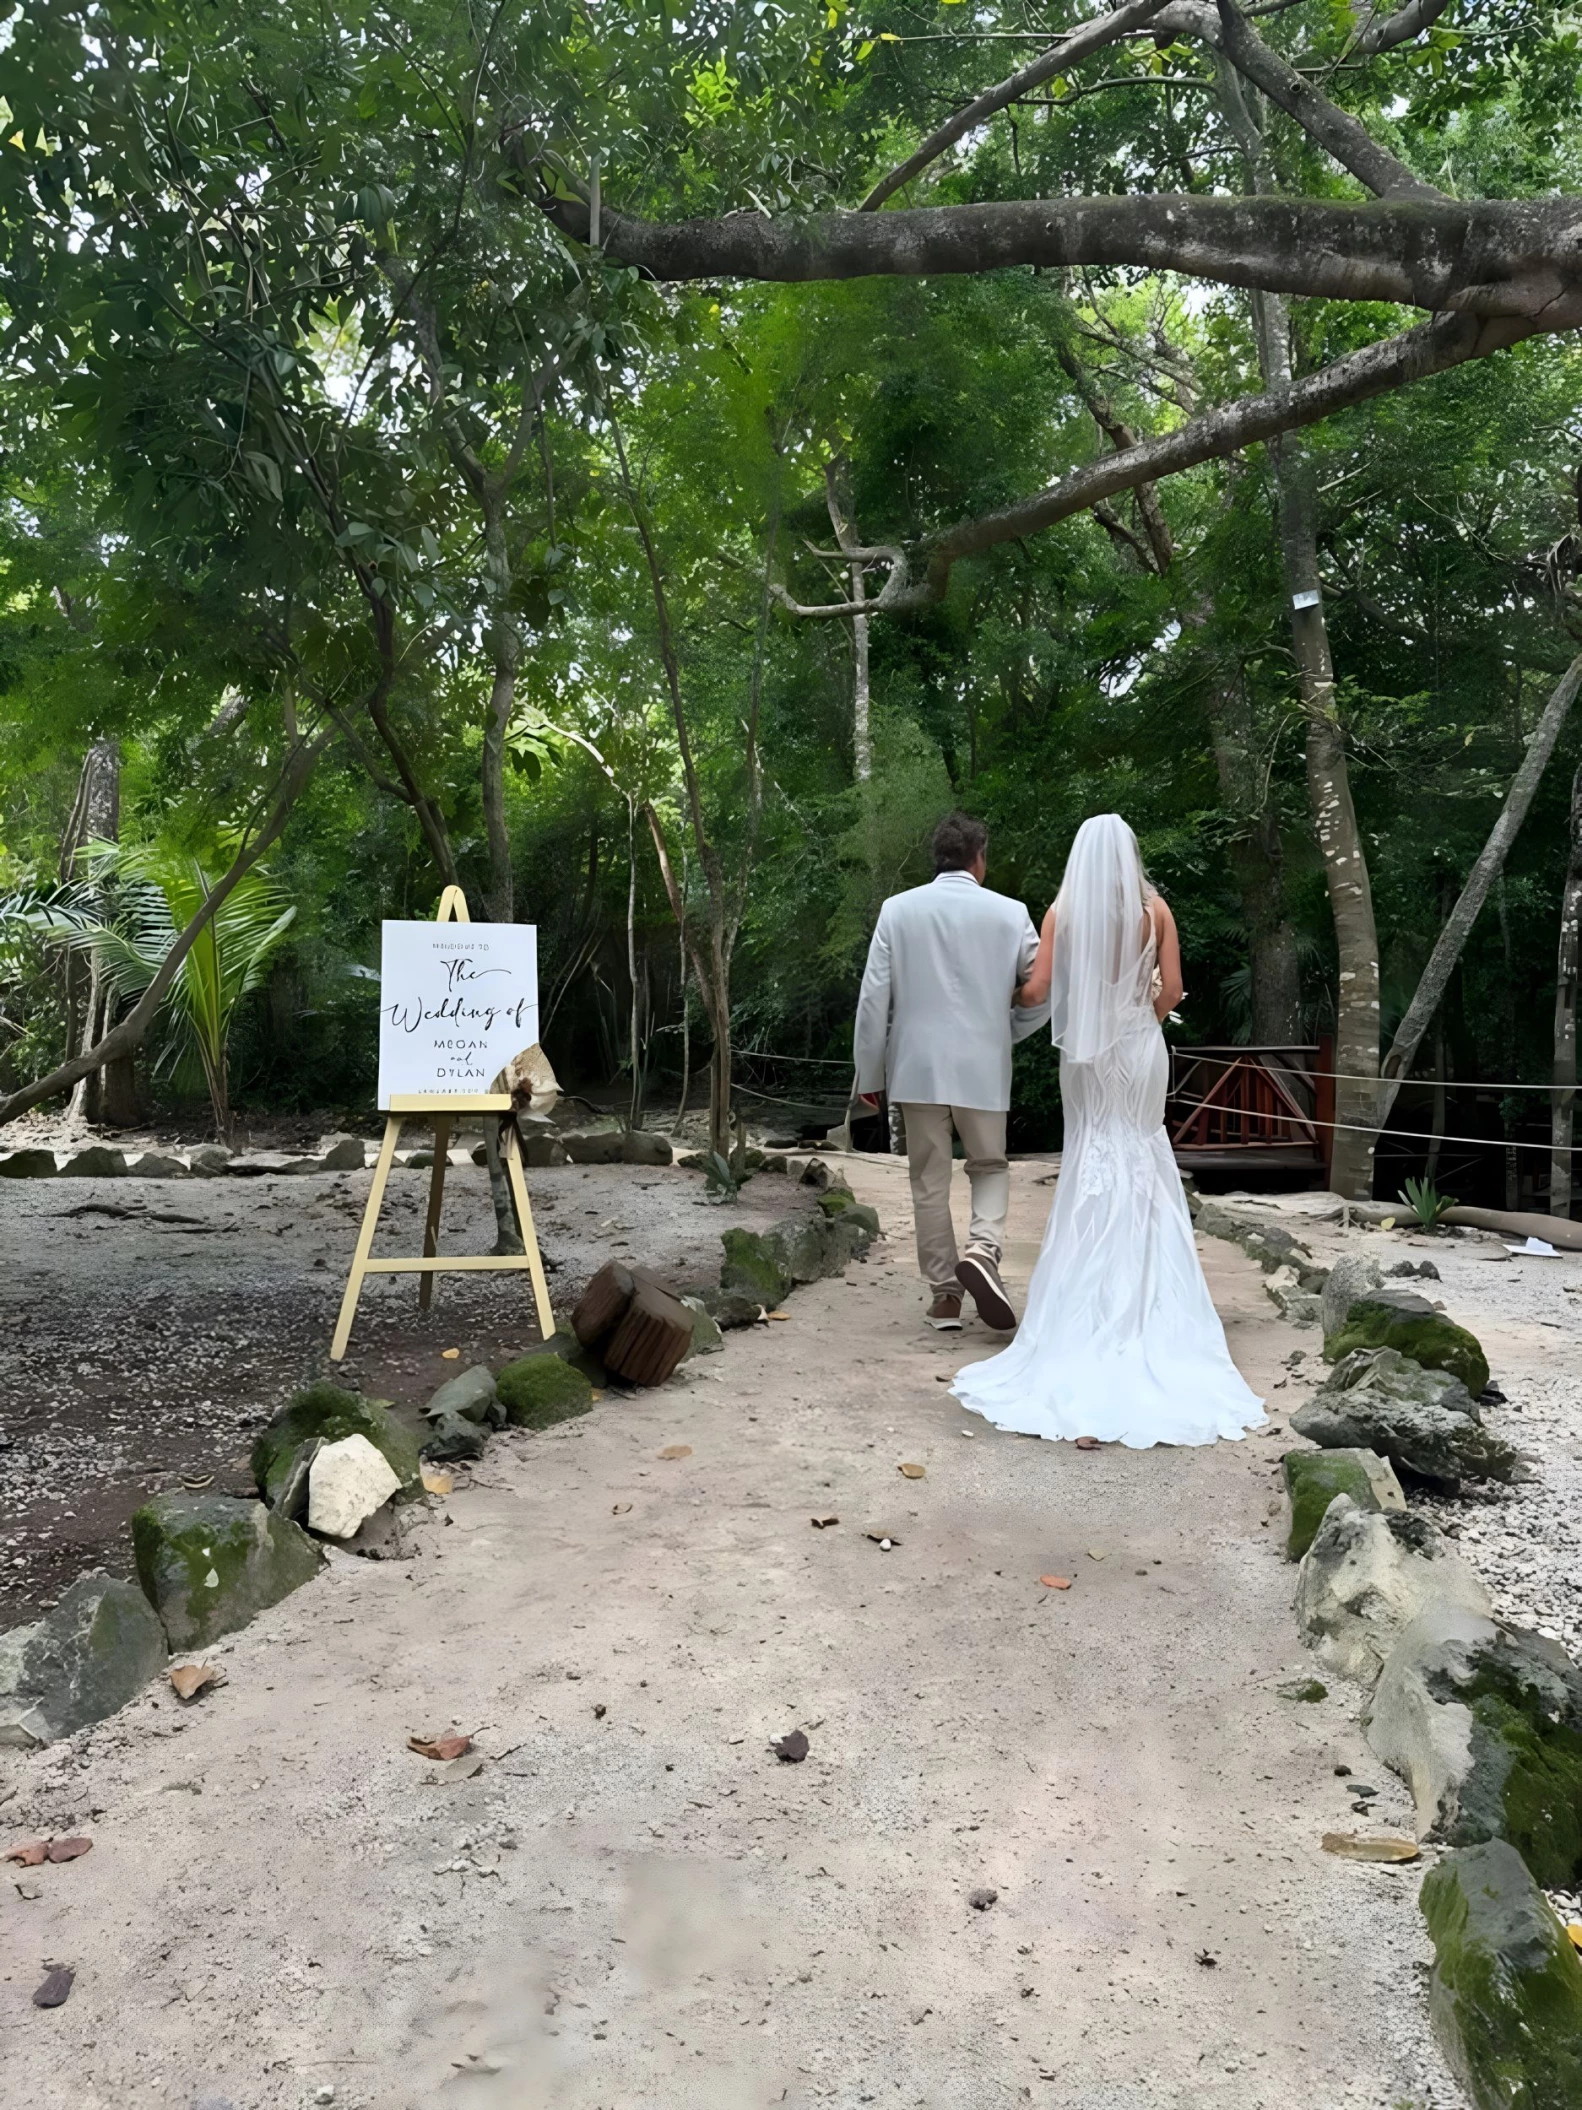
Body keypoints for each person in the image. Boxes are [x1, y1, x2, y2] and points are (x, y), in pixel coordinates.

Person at [950, 813, 1264, 1446]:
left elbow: (1038, 992)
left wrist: (993, 998)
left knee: (1092, 1150)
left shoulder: (1062, 914)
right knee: (1143, 1153)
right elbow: (1172, 991)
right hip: (1140, 1048)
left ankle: (1081, 1308)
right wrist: (1136, 1020)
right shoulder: (1156, 910)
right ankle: (1155, 1307)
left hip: (1087, 1055)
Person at [853, 812, 1048, 1332]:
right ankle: (983, 1251)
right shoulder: (1011, 913)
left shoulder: (898, 910)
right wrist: (1007, 1031)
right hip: (983, 1063)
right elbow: (1044, 987)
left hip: (916, 1067)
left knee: (928, 1180)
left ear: (938, 858)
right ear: (979, 858)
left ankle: (944, 1296)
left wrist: (869, 1075)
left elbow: (873, 999)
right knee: (989, 1165)